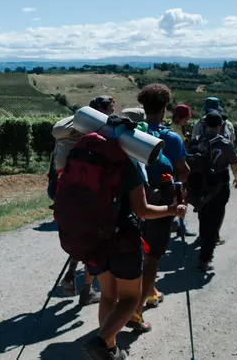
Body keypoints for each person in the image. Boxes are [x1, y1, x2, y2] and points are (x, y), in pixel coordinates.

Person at [84, 150, 188, 360]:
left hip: (94, 235)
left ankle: (110, 349)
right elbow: (142, 210)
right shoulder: (127, 162)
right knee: (130, 297)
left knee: (108, 295)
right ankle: (102, 343)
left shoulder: (89, 156)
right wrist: (172, 210)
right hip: (122, 238)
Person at [124, 83, 192, 332]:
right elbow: (183, 171)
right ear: (165, 109)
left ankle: (135, 298)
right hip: (159, 206)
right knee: (151, 258)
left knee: (131, 254)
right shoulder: (171, 138)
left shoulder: (129, 133)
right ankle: (136, 312)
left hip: (130, 203)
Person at [54, 95, 116, 305]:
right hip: (88, 194)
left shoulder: (74, 129)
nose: (113, 114)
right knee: (92, 239)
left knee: (77, 233)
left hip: (64, 191)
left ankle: (72, 274)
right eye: (111, 110)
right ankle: (86, 290)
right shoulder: (101, 133)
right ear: (103, 110)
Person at [189, 110, 237, 271]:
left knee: (203, 219)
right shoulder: (225, 144)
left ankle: (203, 241)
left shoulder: (195, 141)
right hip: (219, 187)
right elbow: (235, 167)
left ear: (204, 125)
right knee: (214, 223)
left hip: (199, 187)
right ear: (221, 125)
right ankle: (205, 260)